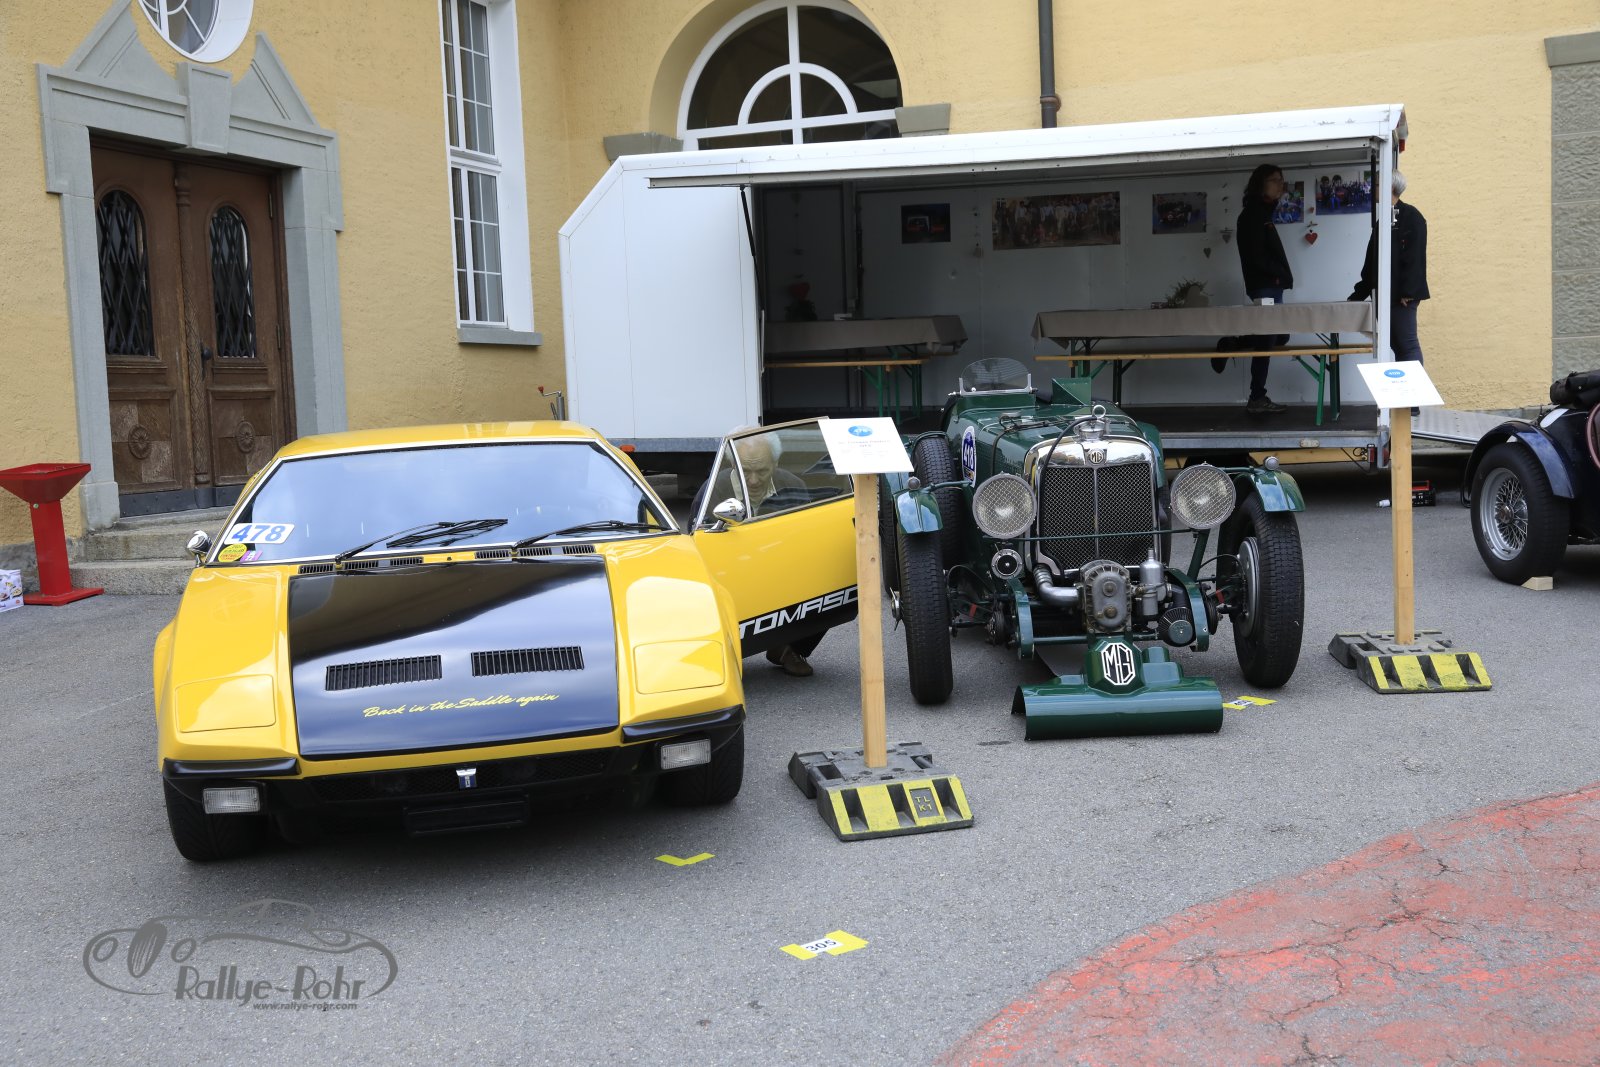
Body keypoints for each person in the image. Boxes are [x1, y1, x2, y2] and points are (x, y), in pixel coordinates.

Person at [692, 433, 823, 677]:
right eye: (745, 471)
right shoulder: (713, 489)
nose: (753, 480)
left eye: (762, 471)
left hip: (781, 565)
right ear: (733, 464)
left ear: (775, 463)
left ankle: (791, 649)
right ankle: (720, 651)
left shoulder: (792, 484)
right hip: (733, 569)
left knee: (828, 581)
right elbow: (698, 544)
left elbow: (807, 535)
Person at [1217, 163, 1296, 414]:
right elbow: (1255, 257)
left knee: (1278, 337)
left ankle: (1231, 344)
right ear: (1260, 184)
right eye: (1275, 180)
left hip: (1271, 286)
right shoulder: (1253, 215)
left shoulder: (1263, 213)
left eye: (1281, 180)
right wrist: (1279, 275)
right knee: (1267, 340)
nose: (1280, 185)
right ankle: (1257, 397)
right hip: (1265, 287)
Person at [1349, 170, 1429, 362]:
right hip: (1385, 295)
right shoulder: (1383, 220)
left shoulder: (1412, 216)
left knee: (1407, 345)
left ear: (1390, 187)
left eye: (1376, 184)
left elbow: (1415, 257)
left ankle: (1413, 381)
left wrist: (1408, 292)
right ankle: (1405, 380)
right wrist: (1359, 294)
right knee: (1396, 344)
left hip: (1402, 297)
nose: (1372, 188)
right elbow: (1372, 261)